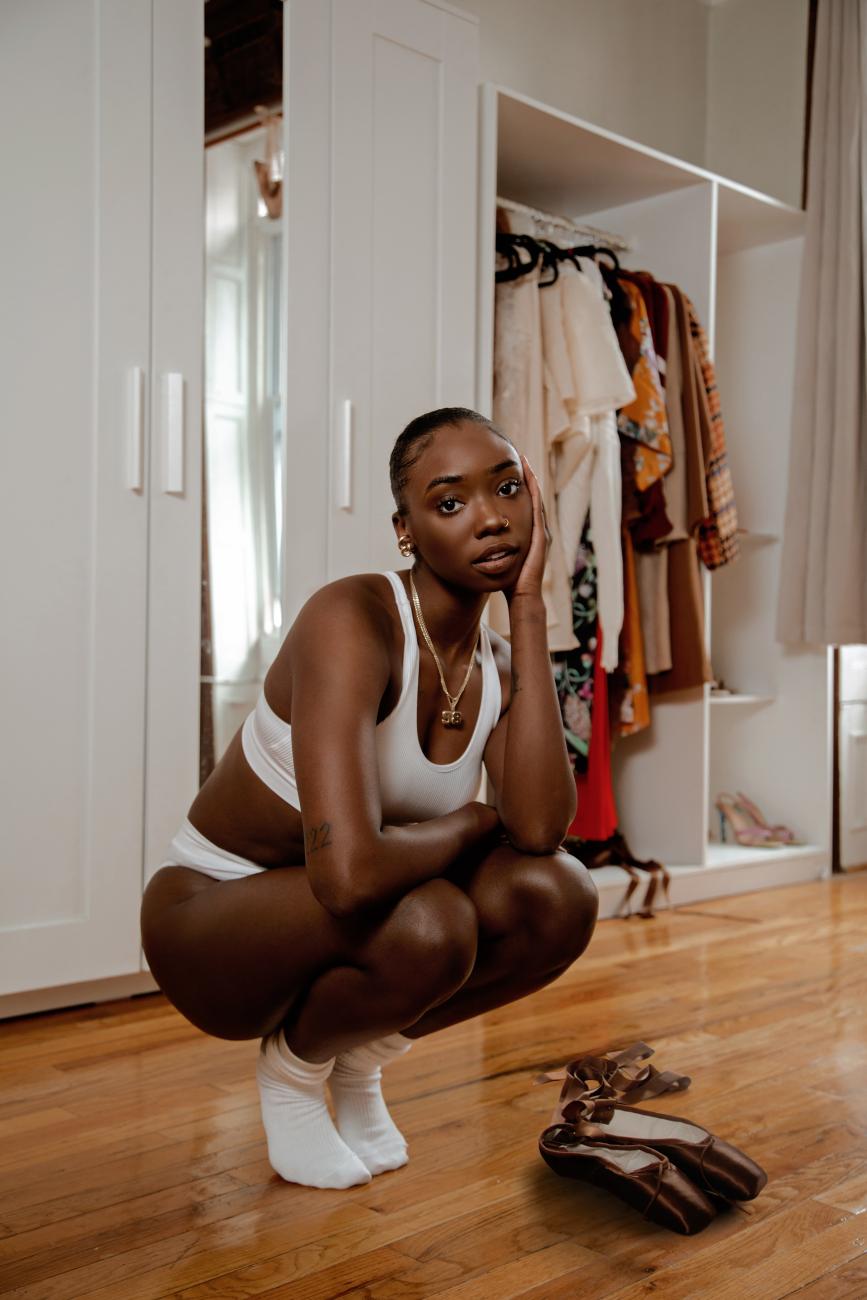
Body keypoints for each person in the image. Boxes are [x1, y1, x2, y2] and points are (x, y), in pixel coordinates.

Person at [140, 407, 599, 1189]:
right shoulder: (350, 618)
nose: (490, 518)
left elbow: (536, 831)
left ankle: (359, 1060)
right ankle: (293, 1076)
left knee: (558, 895)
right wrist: (470, 821)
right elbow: (349, 877)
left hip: (356, 914)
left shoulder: (494, 660)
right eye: (449, 502)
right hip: (212, 925)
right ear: (405, 531)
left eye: (507, 489)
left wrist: (529, 609)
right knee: (433, 920)